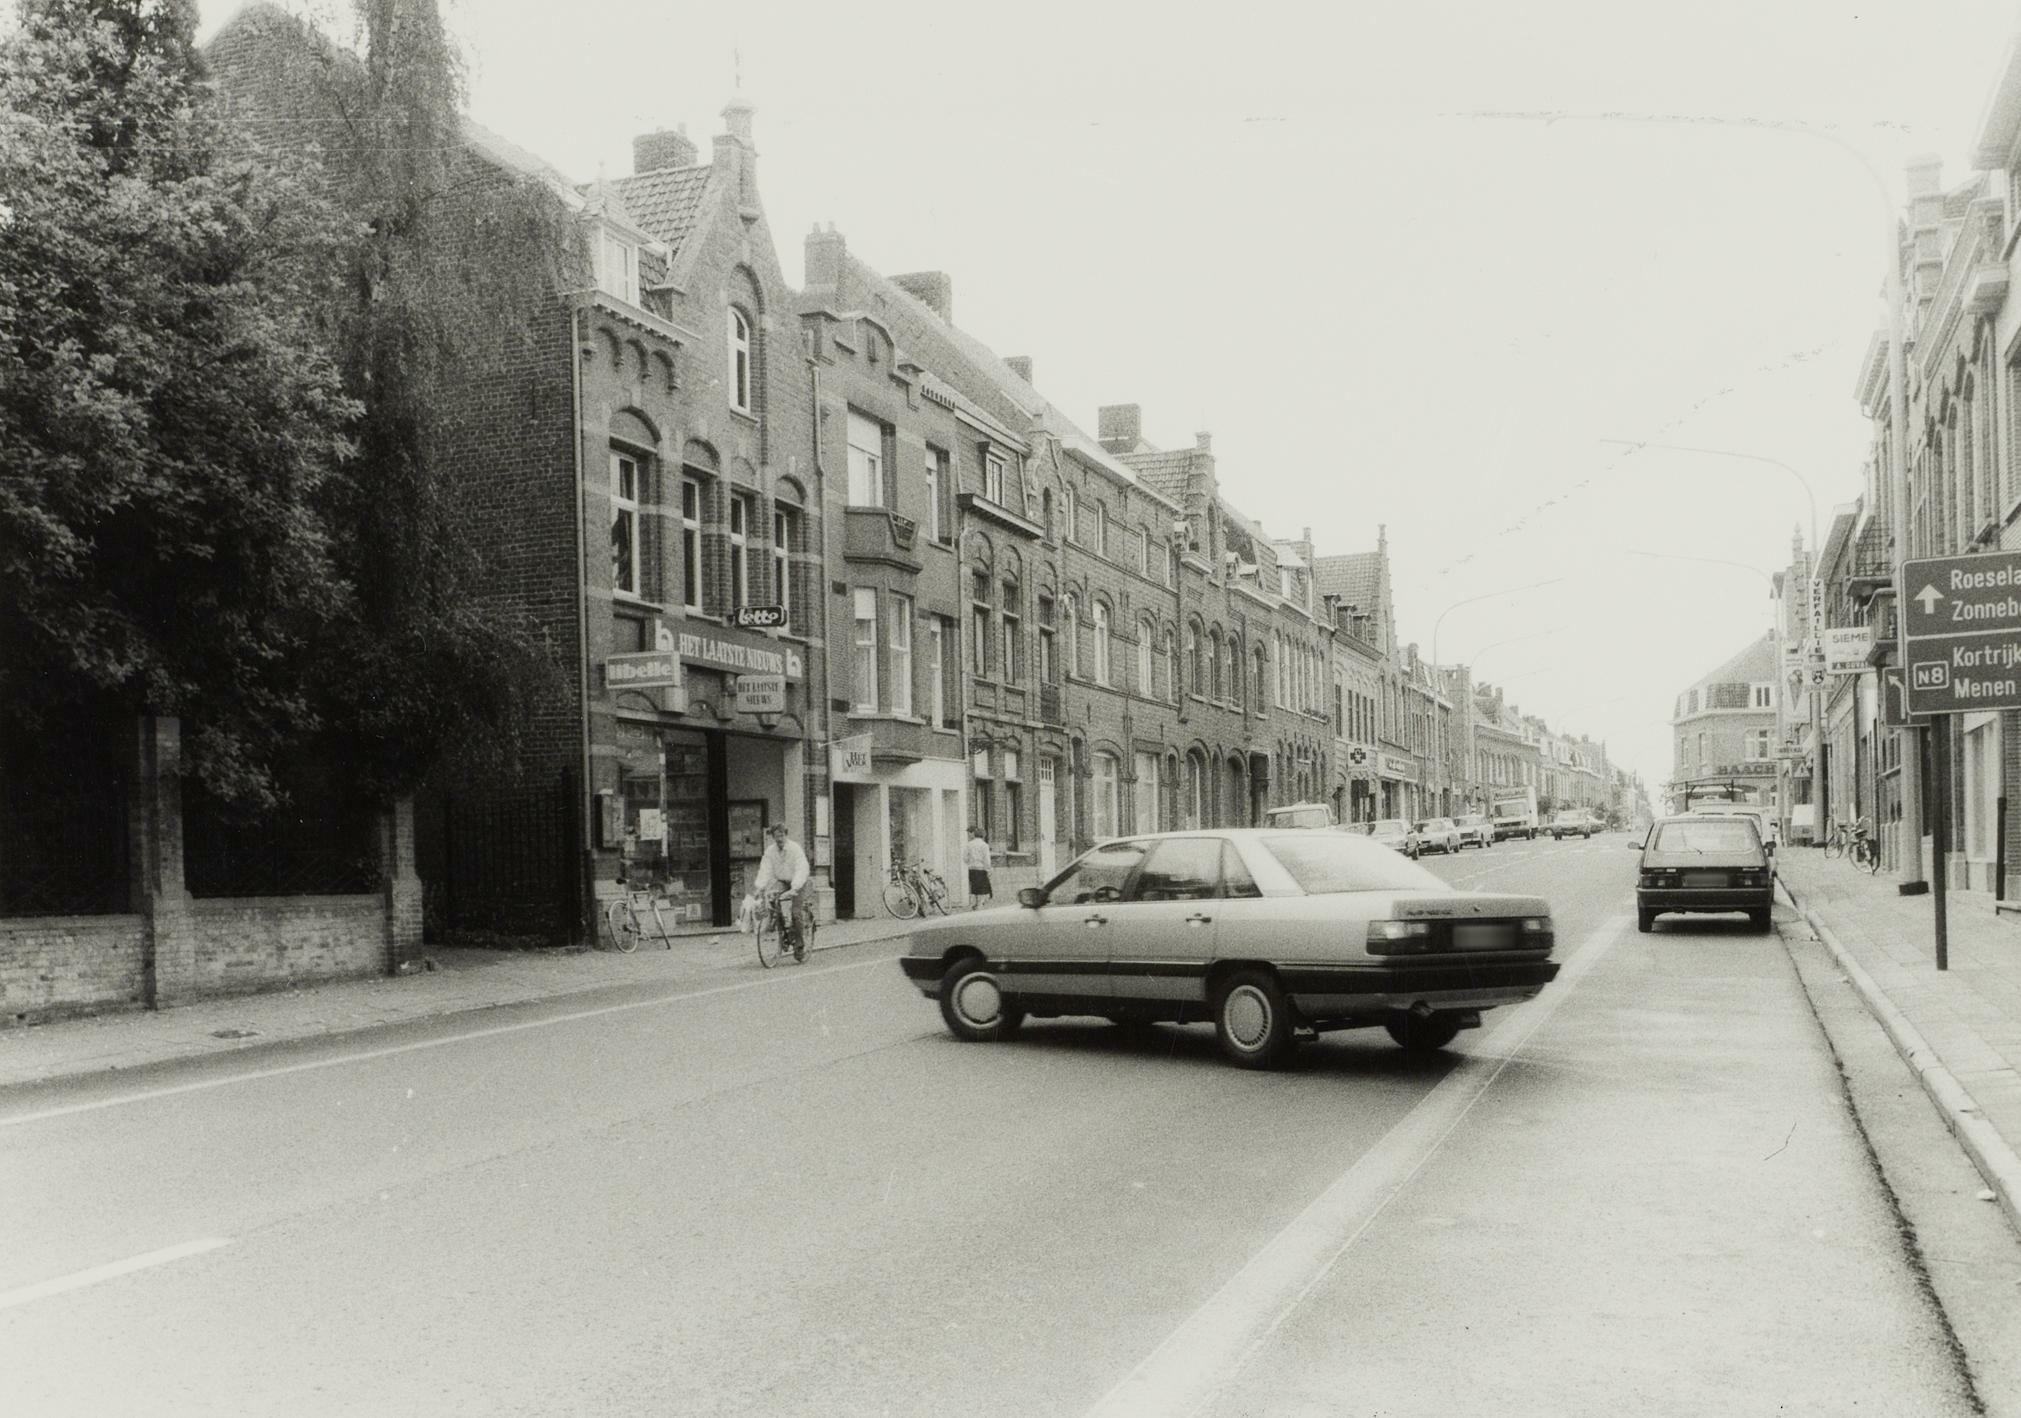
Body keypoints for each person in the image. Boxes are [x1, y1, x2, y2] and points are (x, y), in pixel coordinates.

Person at [754, 822, 811, 957]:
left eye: (781, 836)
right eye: (776, 836)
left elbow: (802, 869)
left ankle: (799, 947)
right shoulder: (770, 851)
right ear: (773, 837)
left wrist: (795, 888)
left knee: (796, 913)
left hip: (798, 882)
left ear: (786, 835)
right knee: (771, 898)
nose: (779, 839)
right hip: (782, 881)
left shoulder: (795, 849)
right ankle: (781, 928)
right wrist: (760, 887)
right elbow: (765, 869)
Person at [962, 825, 993, 910]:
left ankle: (976, 903)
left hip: (972, 868)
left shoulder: (969, 844)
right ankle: (979, 904)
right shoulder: (984, 845)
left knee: (974, 886)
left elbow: (965, 857)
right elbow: (986, 859)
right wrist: (989, 868)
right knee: (982, 887)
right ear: (983, 835)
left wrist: (970, 862)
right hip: (981, 868)